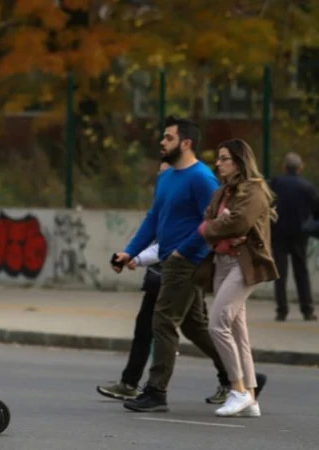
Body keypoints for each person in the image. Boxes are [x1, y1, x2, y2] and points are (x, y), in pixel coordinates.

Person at [112, 116, 264, 412]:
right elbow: (154, 219)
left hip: (186, 262)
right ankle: (243, 378)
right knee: (196, 328)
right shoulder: (166, 177)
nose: (162, 142)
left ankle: (156, 392)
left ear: (186, 143)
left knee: (163, 321)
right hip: (172, 259)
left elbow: (215, 222)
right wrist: (130, 252)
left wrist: (186, 252)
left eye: (168, 137)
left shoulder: (201, 178)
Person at [195, 138, 278, 417]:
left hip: (243, 265)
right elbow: (208, 222)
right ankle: (251, 398)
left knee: (218, 324)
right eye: (217, 158)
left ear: (239, 161)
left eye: (223, 158)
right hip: (221, 262)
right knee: (238, 330)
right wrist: (221, 225)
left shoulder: (254, 190)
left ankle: (238, 390)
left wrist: (220, 225)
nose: (217, 164)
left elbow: (238, 222)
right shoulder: (222, 192)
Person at [97, 162, 169, 401]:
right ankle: (130, 383)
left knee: (197, 332)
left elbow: (169, 245)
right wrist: (129, 255)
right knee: (144, 329)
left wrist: (137, 258)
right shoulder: (162, 203)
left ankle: (234, 380)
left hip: (180, 279)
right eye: (159, 172)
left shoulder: (183, 199)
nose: (160, 176)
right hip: (158, 279)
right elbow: (148, 232)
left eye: (165, 172)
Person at [268, 152, 318, 321]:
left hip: (278, 233)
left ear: (284, 167)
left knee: (280, 273)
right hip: (299, 234)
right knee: (301, 272)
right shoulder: (307, 186)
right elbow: (316, 210)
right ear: (300, 168)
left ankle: (281, 310)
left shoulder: (275, 183)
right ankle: (307, 309)